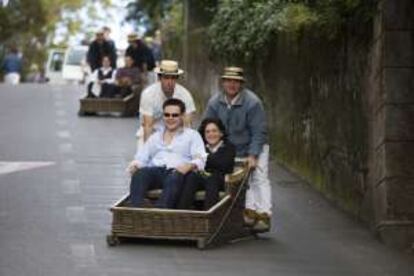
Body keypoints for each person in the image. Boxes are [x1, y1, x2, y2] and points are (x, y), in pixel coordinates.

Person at [203, 66, 272, 232]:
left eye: (236, 81)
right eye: (228, 81)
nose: (232, 84)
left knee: (258, 178)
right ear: (223, 82)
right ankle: (248, 214)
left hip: (254, 145)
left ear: (241, 84)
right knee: (239, 181)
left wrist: (253, 155)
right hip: (231, 148)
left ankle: (264, 215)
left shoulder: (252, 102)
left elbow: (258, 131)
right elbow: (207, 126)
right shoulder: (214, 102)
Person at [126, 98, 207, 208]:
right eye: (167, 115)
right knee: (140, 174)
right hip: (157, 171)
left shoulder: (192, 135)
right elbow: (141, 158)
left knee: (174, 177)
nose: (170, 118)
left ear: (182, 116)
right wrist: (135, 165)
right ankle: (136, 209)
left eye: (175, 115)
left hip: (178, 172)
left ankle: (160, 211)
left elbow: (201, 158)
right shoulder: (155, 137)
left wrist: (189, 165)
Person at [136, 59, 196, 150]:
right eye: (166, 78)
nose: (170, 82)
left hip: (177, 134)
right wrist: (147, 152)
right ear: (160, 78)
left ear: (176, 79)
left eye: (173, 78)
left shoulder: (185, 95)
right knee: (142, 161)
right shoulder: (148, 94)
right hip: (152, 132)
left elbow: (187, 126)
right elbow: (148, 126)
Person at [177, 118, 236, 210]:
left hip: (222, 179)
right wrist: (200, 161)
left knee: (212, 178)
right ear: (204, 135)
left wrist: (202, 159)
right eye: (207, 132)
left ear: (221, 133)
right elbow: (193, 161)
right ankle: (182, 212)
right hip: (203, 175)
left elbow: (224, 165)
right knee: (192, 176)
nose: (211, 134)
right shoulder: (201, 147)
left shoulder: (228, 147)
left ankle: (209, 215)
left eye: (214, 131)